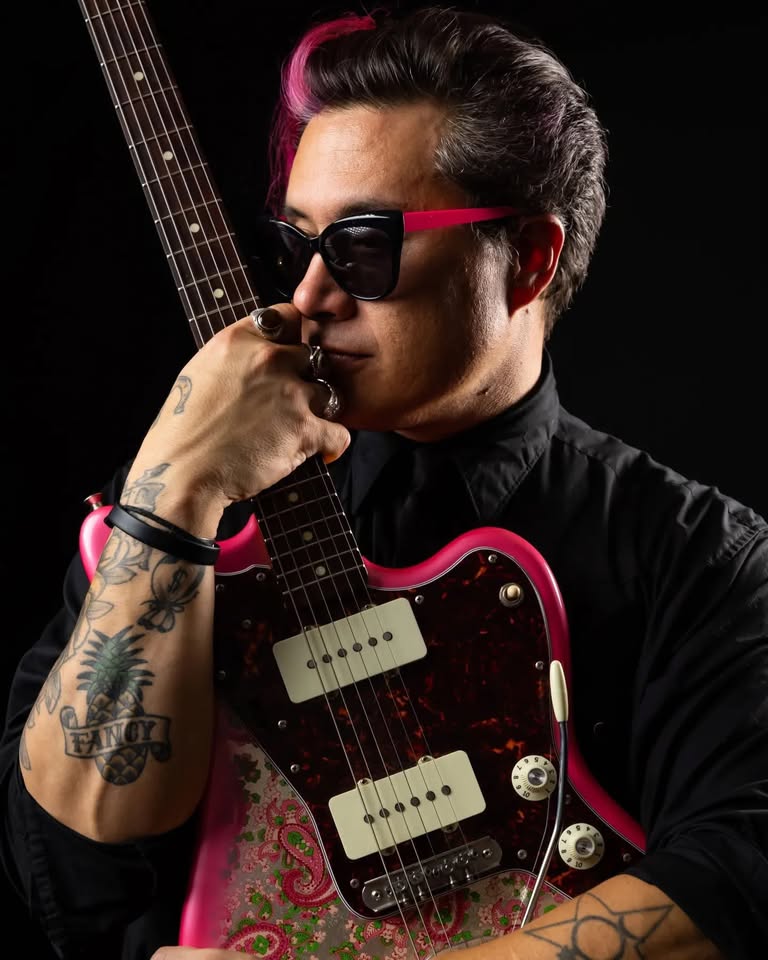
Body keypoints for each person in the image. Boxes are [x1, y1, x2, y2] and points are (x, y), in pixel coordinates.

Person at [1, 4, 767, 960]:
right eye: (300, 243)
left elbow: (740, 871)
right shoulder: (180, 498)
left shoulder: (697, 558)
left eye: (366, 247)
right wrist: (172, 494)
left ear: (529, 260)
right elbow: (76, 860)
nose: (310, 297)